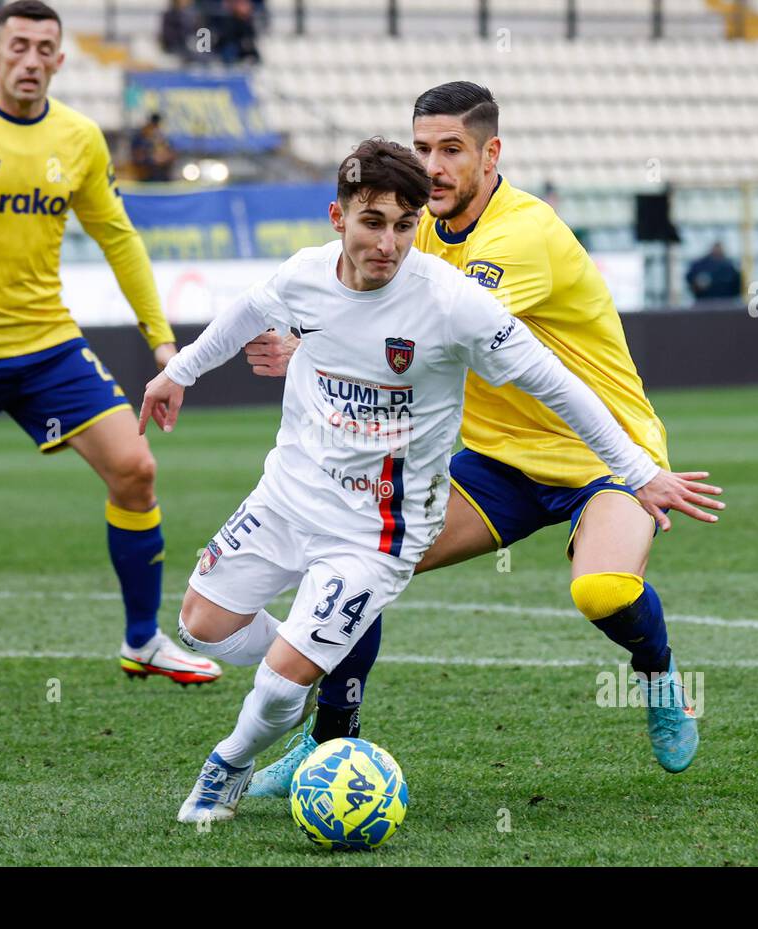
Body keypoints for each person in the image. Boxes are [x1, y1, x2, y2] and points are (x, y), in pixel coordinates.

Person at [140, 138, 720, 823]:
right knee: (201, 625)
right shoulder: (303, 276)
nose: (388, 243)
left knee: (275, 686)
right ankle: (314, 657)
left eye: (404, 225)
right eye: (373, 223)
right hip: (289, 497)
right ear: (338, 219)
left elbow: (556, 384)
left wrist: (638, 471)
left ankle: (228, 767)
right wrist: (178, 372)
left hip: (380, 524)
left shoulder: (454, 301)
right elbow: (248, 310)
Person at [0, 0, 222, 697]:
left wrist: (161, 339)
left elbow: (119, 238)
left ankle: (143, 639)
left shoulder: (80, 138)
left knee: (136, 468)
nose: (31, 59)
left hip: (49, 347)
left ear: (60, 60)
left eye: (44, 48)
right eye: (18, 46)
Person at [130, 113, 176, 181]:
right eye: (153, 125)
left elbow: (171, 153)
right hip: (147, 173)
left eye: (157, 125)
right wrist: (152, 158)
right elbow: (138, 155)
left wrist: (165, 157)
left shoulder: (162, 137)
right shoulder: (141, 138)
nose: (155, 128)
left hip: (163, 174)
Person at [215, 0, 260, 65]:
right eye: (242, 4)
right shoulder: (228, 21)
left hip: (243, 51)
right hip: (230, 49)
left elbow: (250, 38)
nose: (246, 7)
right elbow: (226, 37)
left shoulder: (248, 23)